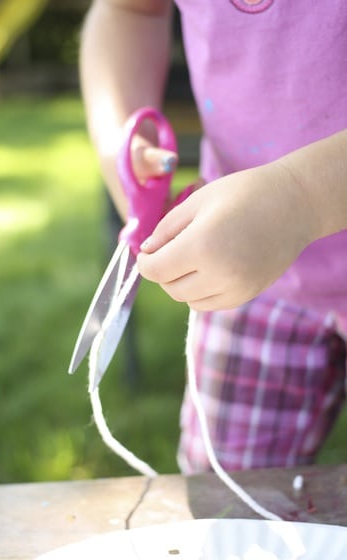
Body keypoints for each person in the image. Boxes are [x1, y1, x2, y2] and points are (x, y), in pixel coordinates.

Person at [79, 0, 347, 473]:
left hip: (259, 237)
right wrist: (118, 144)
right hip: (246, 272)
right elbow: (130, 12)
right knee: (226, 504)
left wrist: (300, 197)